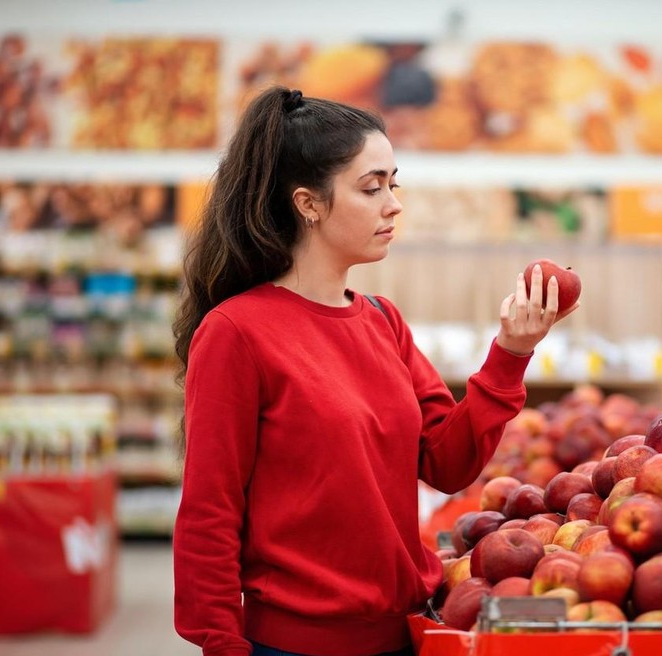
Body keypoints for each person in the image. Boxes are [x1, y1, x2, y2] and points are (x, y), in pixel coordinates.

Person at [171, 86, 579, 656]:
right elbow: (209, 512)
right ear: (308, 204)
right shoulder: (236, 332)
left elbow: (448, 463)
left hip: (402, 636)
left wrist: (511, 352)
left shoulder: (383, 321)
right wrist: (221, 644)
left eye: (394, 184)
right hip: (292, 646)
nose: (393, 205)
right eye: (371, 187)